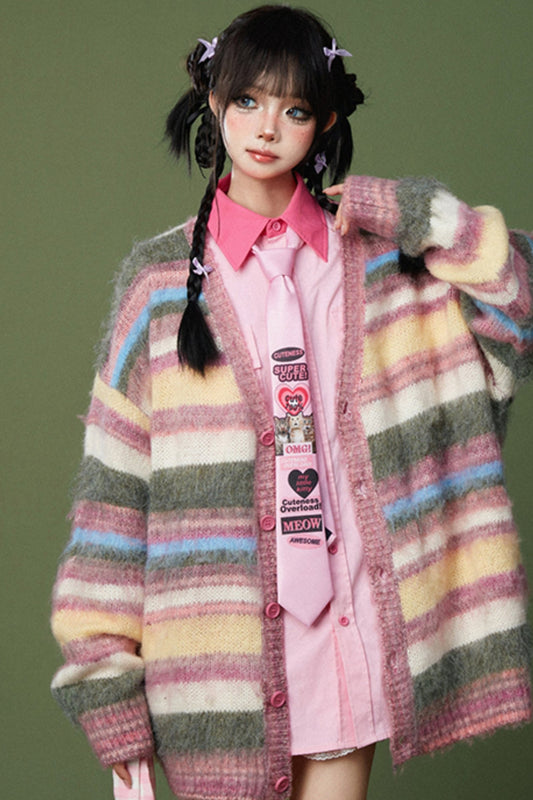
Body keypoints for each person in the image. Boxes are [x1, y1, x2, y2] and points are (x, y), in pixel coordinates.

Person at [50, 5, 533, 800]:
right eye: (246, 101)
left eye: (295, 109)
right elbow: (114, 494)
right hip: (222, 663)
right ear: (213, 102)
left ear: (326, 121)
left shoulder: (387, 264)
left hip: (352, 636)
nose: (267, 128)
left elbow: (515, 302)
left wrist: (414, 213)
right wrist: (104, 679)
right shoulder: (159, 285)